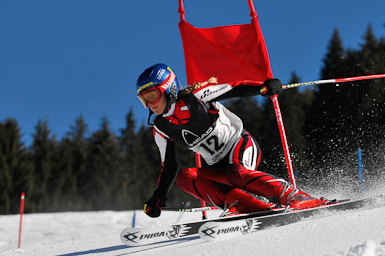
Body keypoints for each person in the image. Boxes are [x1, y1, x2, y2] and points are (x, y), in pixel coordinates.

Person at [136, 63, 328, 218]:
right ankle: (249, 206)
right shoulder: (161, 129)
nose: (149, 105)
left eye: (152, 96)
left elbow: (234, 89)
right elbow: (169, 166)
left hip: (240, 144)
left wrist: (262, 88)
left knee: (236, 173)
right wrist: (158, 198)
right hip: (218, 166)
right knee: (184, 177)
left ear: (170, 89)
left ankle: (293, 195)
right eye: (143, 100)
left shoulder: (196, 96)